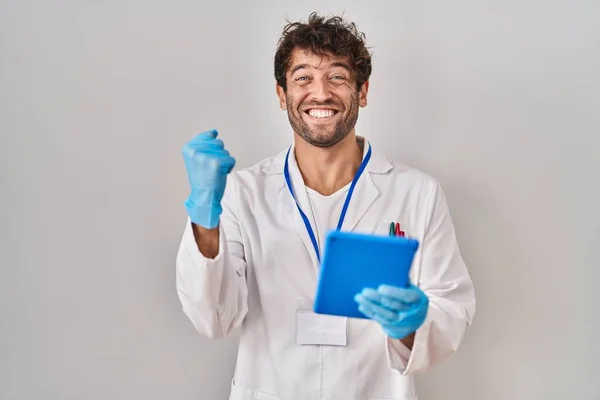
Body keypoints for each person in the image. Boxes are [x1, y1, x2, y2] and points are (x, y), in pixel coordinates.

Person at [176, 12, 476, 400]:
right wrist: (204, 219)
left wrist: (414, 324)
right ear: (282, 95)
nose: (320, 93)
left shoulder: (418, 193)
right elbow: (213, 319)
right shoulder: (241, 193)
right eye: (303, 78)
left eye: (337, 76)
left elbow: (452, 309)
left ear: (362, 91)